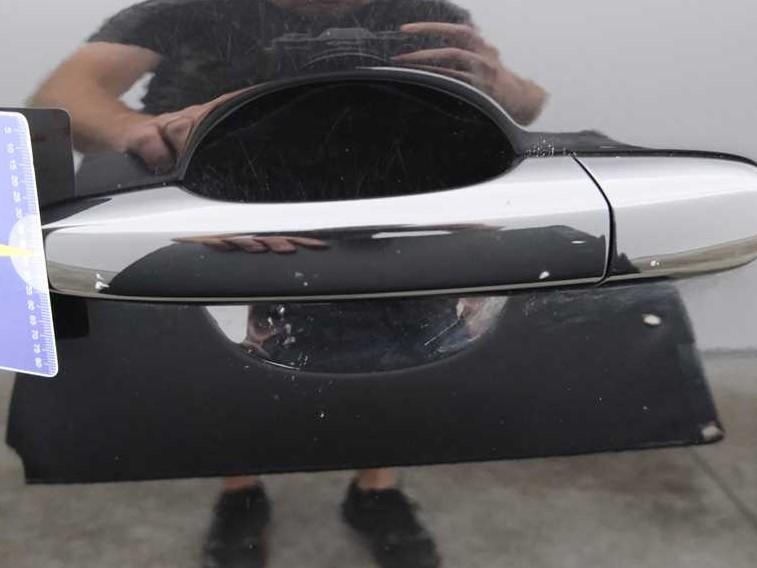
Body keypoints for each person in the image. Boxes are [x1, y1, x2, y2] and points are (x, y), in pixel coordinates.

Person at [29, 1, 547, 567]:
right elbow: (62, 94)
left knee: (398, 361)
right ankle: (241, 488)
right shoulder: (191, 8)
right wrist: (141, 133)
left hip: (385, 215)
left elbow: (524, 103)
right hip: (229, 224)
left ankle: (375, 487)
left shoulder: (423, 10)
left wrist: (503, 86)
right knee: (230, 368)